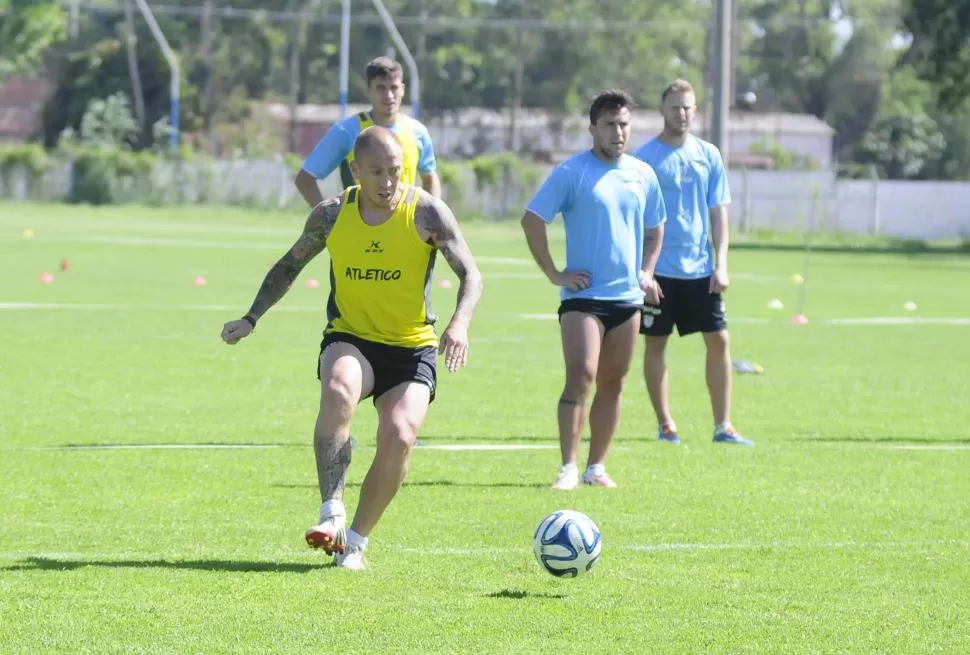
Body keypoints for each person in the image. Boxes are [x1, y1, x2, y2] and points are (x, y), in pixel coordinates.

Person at [222, 126, 483, 570]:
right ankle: (332, 511)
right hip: (351, 336)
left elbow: (471, 274)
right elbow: (289, 265)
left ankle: (355, 542)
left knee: (400, 435)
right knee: (340, 388)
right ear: (354, 170)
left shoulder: (426, 213)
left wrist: (459, 323)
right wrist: (251, 317)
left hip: (411, 346)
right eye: (376, 172)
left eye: (395, 172)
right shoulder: (330, 214)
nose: (387, 182)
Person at [520, 89, 667, 490]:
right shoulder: (573, 172)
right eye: (609, 125)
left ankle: (595, 466)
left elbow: (656, 228)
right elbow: (532, 219)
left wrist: (647, 272)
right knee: (582, 375)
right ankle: (568, 466)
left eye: (623, 125)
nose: (618, 132)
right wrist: (554, 273)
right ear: (593, 129)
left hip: (627, 300)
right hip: (583, 298)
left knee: (614, 382)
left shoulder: (642, 174)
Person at [632, 79, 753, 446]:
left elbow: (719, 213)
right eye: (674, 107)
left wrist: (722, 263)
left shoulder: (709, 155)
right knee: (655, 346)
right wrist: (644, 272)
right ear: (662, 110)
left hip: (701, 270)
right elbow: (635, 217)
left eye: (687, 107)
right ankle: (666, 425)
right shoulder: (645, 158)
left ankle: (723, 426)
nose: (681, 114)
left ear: (695, 111)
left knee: (719, 341)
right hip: (660, 274)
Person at [294, 56, 441, 208]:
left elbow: (430, 179)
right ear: (368, 90)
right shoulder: (347, 131)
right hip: (359, 229)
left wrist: (431, 218)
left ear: (403, 89)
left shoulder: (417, 132)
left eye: (394, 87)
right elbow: (305, 179)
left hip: (403, 229)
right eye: (381, 87)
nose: (389, 95)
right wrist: (328, 219)